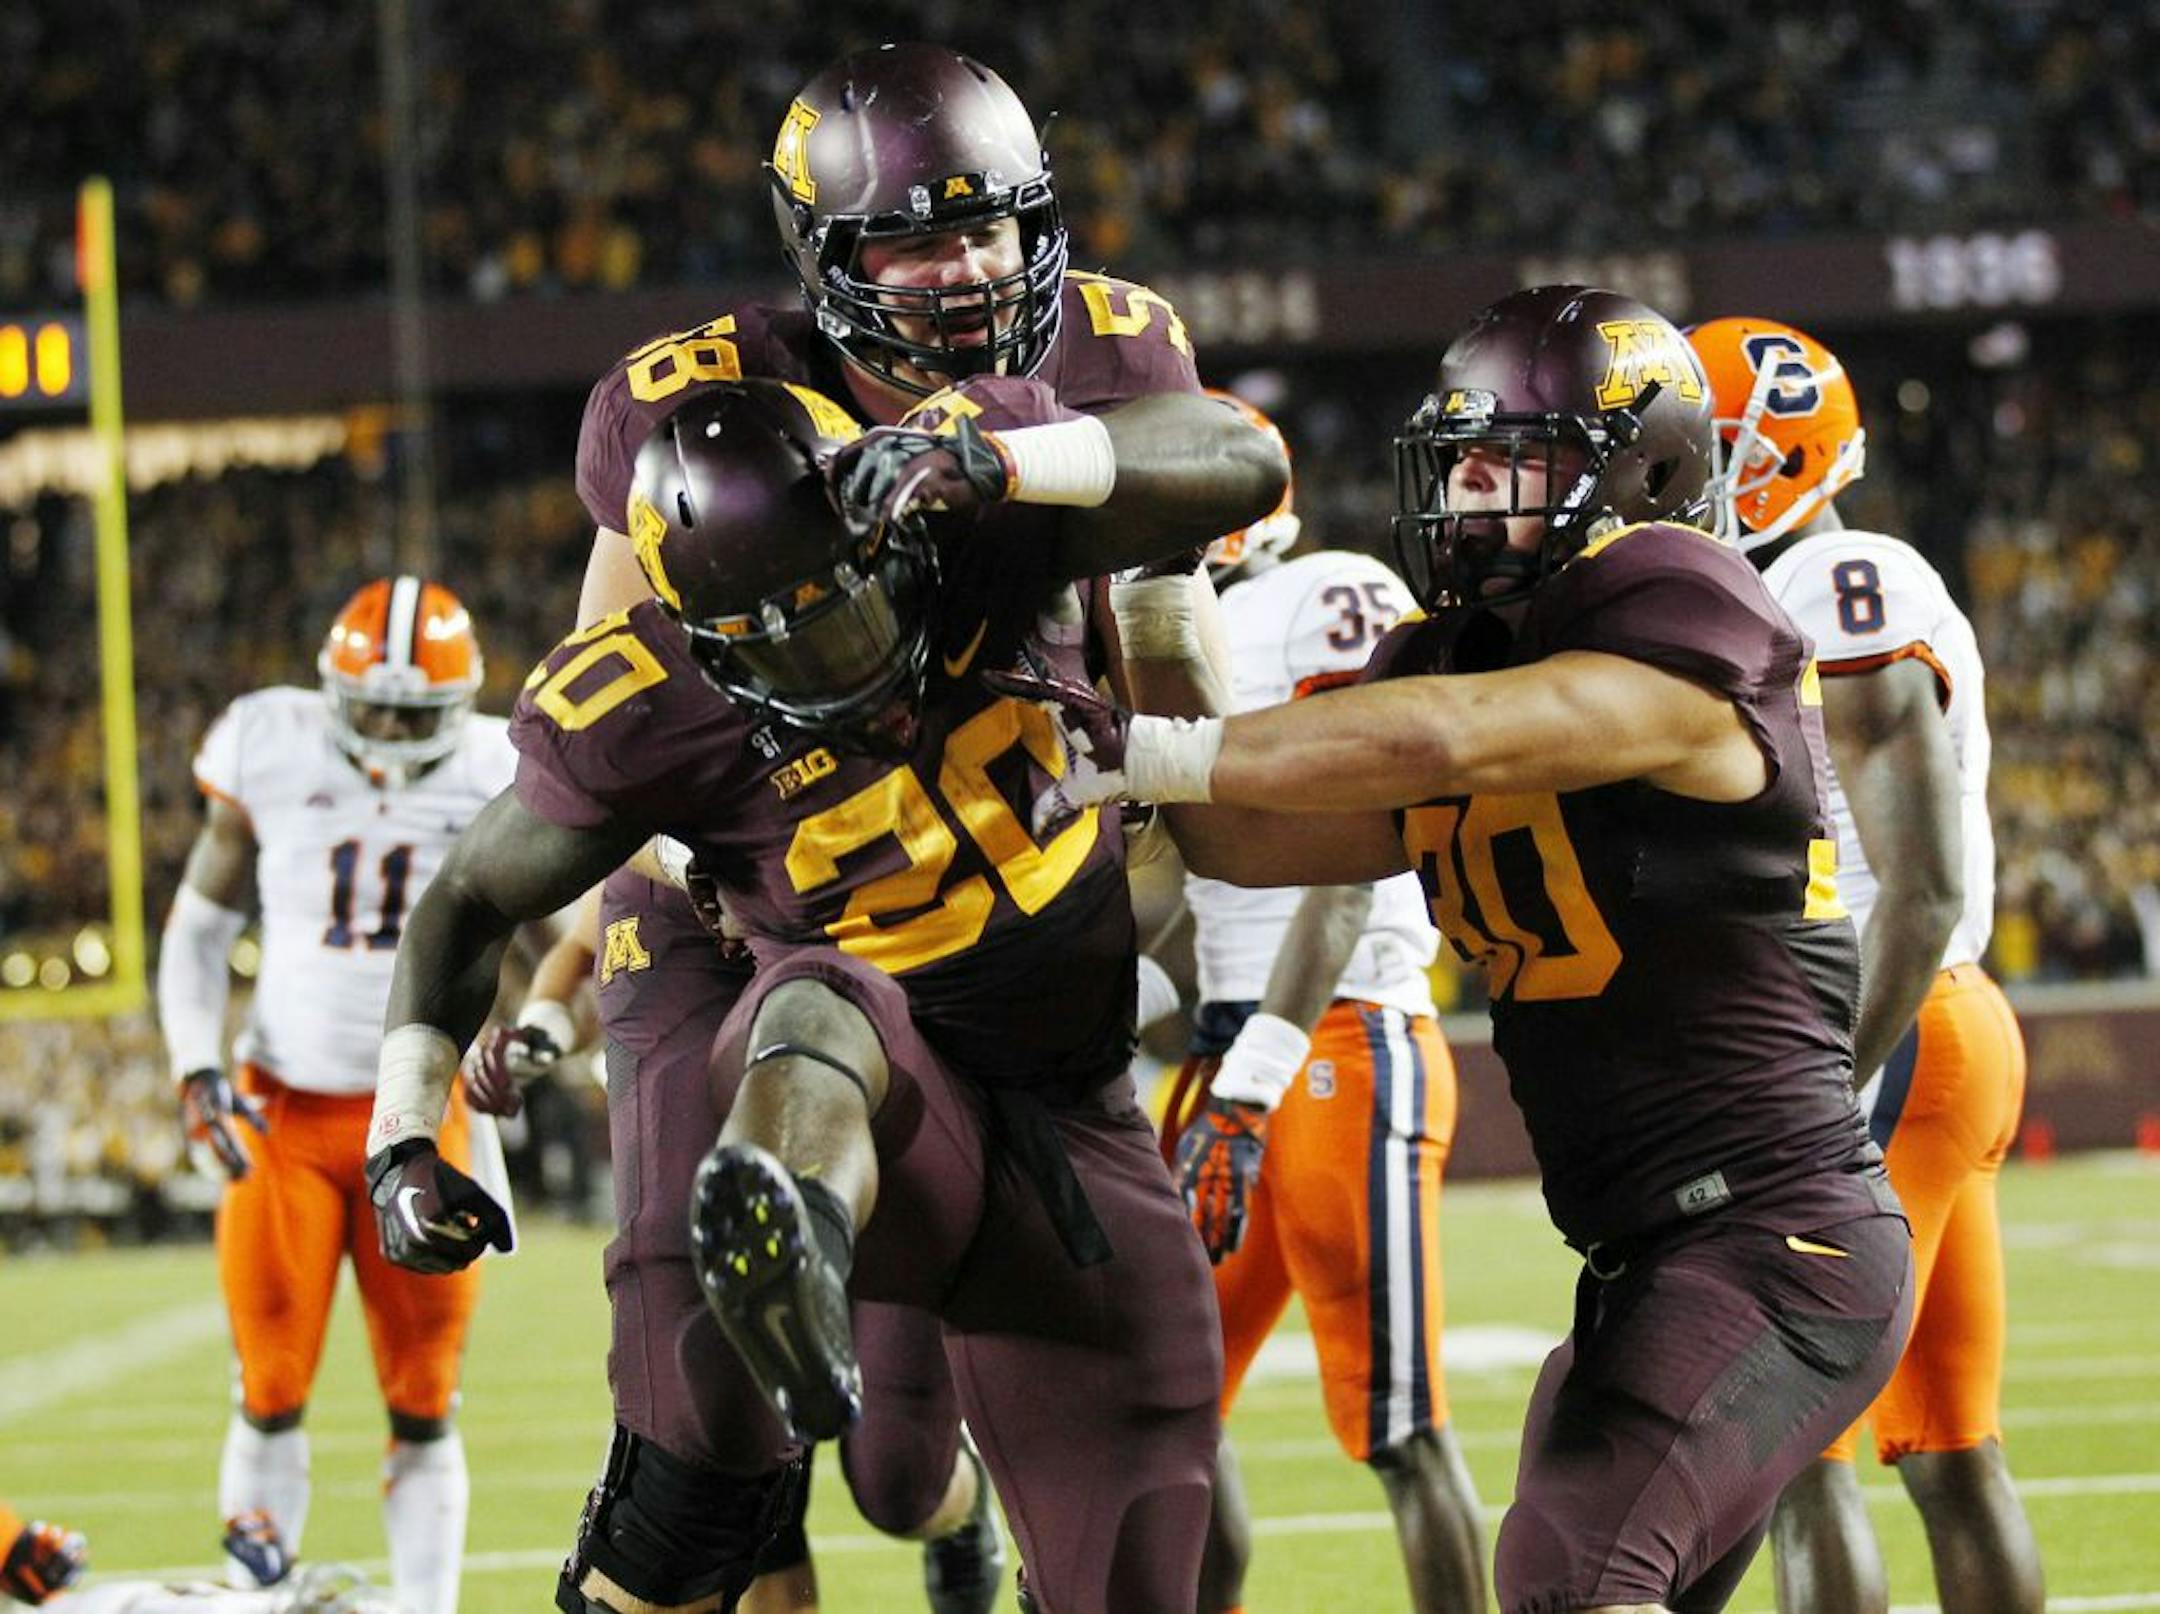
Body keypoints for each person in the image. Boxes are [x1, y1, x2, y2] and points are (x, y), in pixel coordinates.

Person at [502, 40, 1283, 1614]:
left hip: (985, 865)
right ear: (828, 259)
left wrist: (1149, 751)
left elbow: (1189, 569)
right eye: (917, 243)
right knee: (707, 1416)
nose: (967, 270)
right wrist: (691, 876)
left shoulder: (1115, 349)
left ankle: (971, 1484)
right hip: (741, 900)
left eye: (989, 228)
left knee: (951, 1449)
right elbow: (617, 712)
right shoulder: (702, 408)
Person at [996, 284, 1919, 1614]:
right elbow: (1242, 833)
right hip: (1652, 1256)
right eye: (1461, 458)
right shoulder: (1463, 654)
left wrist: (1141, 750)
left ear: (1646, 473)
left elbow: (1449, 738)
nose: (1468, 489)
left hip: (1775, 1240)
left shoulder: (1683, 600)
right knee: (1580, 1571)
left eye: (1511, 459)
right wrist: (1154, 594)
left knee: (1566, 1572)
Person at [364, 376, 1279, 1614]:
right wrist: (400, 1133)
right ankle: (792, 1237)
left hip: (1071, 1113)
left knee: (1138, 1556)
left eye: (844, 606)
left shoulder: (977, 516)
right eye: (777, 637)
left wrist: (1008, 464)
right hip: (893, 1116)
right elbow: (469, 895)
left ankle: (813, 1270)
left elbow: (1238, 458)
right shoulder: (647, 704)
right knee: (814, 1005)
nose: (833, 660)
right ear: (704, 638)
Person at [1688, 317, 2043, 1614]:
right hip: (1934, 1020)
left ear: (1765, 458)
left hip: (1887, 1020)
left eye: (1692, 448)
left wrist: (1826, 1086)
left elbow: (1921, 884)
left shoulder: (1843, 577)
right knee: (1950, 1445)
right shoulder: (1790, 584)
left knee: (1796, 1459)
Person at [1154, 394, 1484, 1614]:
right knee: (1162, 1400)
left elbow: (1348, 867)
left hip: (1341, 1037)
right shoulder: (1169, 632)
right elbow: (1196, 892)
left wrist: (1249, 1088)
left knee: (1400, 1427)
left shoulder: (1325, 596)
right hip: (1225, 1049)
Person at [464, 884, 1004, 1614]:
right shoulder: (674, 857)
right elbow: (590, 949)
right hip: (739, 1214)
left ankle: (960, 1504)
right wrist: (542, 1030)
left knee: (899, 1483)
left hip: (880, 1178)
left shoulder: (859, 846)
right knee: (738, 1476)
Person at [154, 578, 518, 1614]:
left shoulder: (500, 765)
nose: (390, 731)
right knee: (268, 1387)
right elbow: (199, 925)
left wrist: (536, 1030)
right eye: (374, 706)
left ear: (459, 705)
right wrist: (196, 1065)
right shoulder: (272, 743)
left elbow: (548, 927)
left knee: (425, 1395)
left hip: (426, 1116)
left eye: (415, 712)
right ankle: (252, 1600)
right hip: (283, 1111)